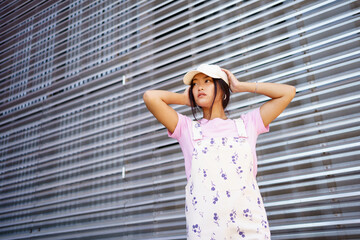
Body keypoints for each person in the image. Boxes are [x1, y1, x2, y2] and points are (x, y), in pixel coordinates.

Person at [143, 64, 296, 239]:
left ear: (222, 89)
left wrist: (240, 86)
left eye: (207, 81)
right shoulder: (187, 129)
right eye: (195, 84)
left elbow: (288, 92)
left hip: (250, 226)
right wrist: (185, 100)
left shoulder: (247, 125)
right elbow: (150, 97)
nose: (199, 87)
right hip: (206, 229)